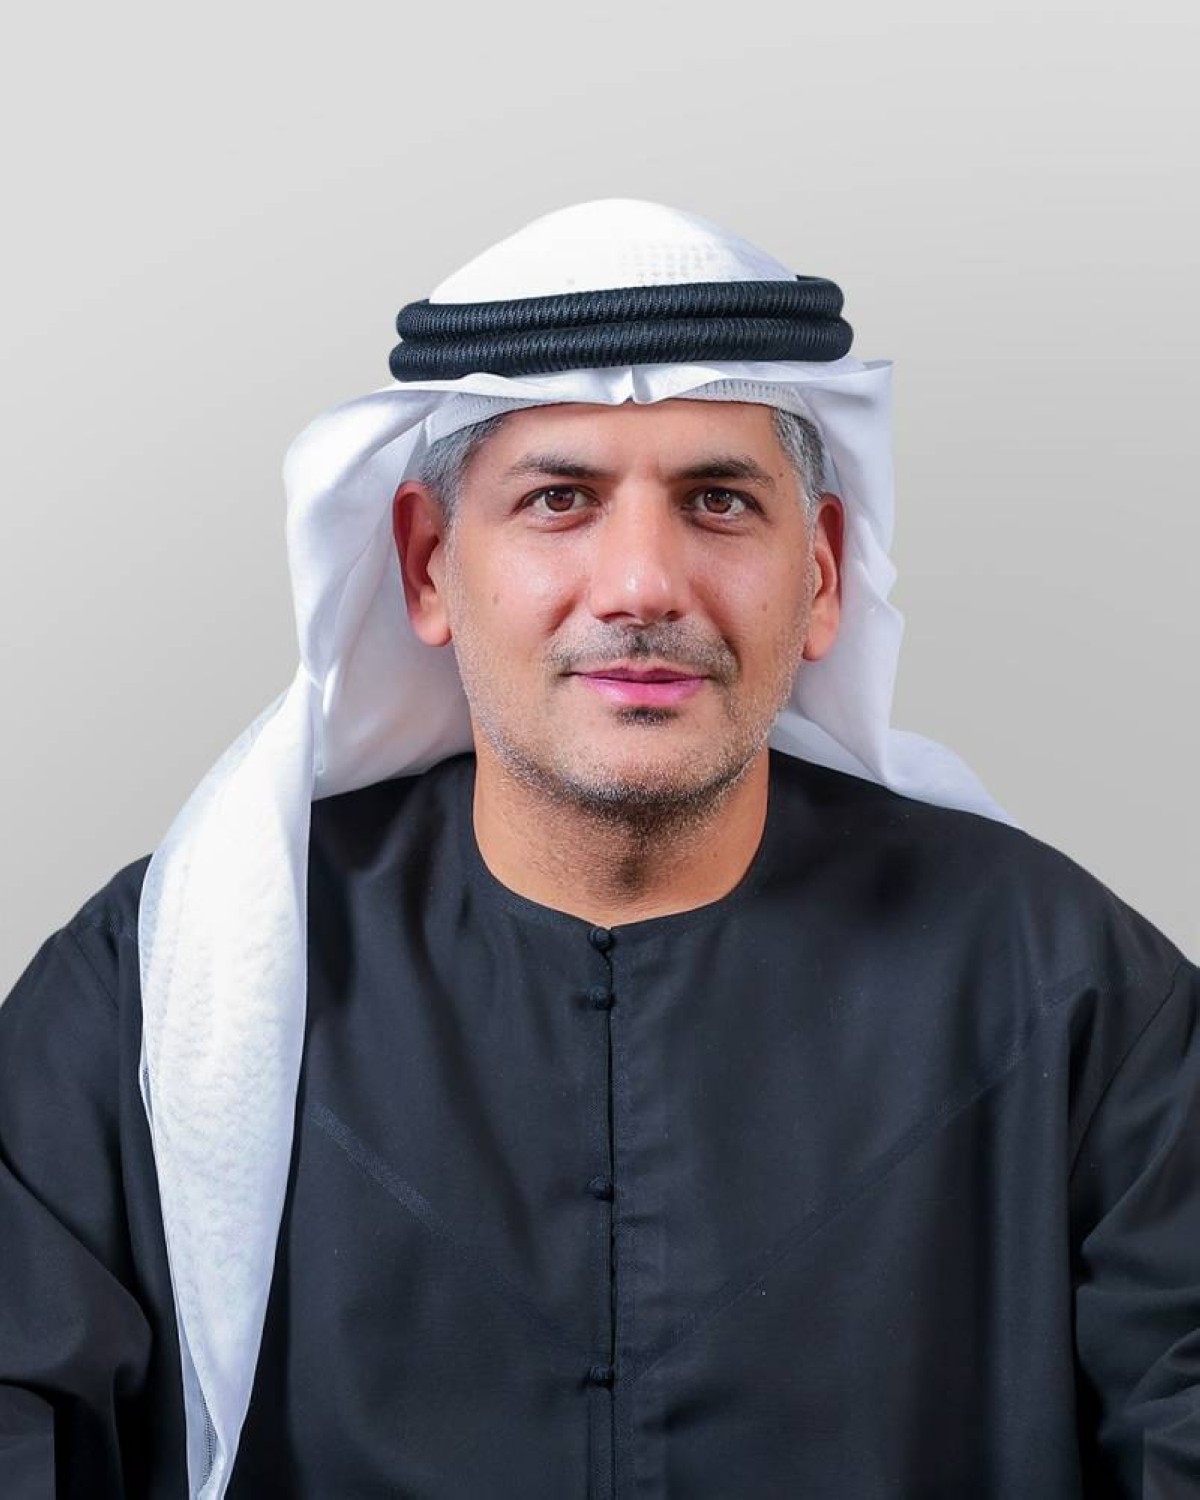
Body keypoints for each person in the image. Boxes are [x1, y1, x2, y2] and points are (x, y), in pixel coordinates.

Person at [0, 198, 1196, 1500]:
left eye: (719, 502)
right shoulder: (159, 989)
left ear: (823, 575)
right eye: (559, 500)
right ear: (428, 567)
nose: (641, 586)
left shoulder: (1070, 992)